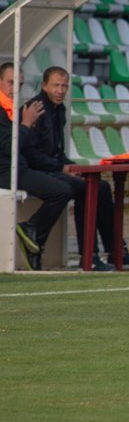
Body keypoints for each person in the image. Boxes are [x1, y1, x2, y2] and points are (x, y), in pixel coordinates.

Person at [23, 66, 129, 271]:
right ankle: (89, 256)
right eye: (56, 85)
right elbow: (30, 153)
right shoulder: (35, 108)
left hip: (50, 168)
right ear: (44, 85)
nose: (60, 90)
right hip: (33, 171)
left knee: (101, 187)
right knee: (86, 187)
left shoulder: (59, 109)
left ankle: (115, 252)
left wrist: (74, 166)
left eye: (64, 86)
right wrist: (62, 167)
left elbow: (56, 150)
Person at [0, 63, 72, 271]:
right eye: (11, 82)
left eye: (20, 84)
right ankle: (31, 230)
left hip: (19, 168)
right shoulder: (7, 110)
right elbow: (10, 147)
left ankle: (34, 240)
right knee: (61, 191)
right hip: (6, 171)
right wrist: (26, 124)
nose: (16, 88)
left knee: (77, 186)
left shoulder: (13, 107)